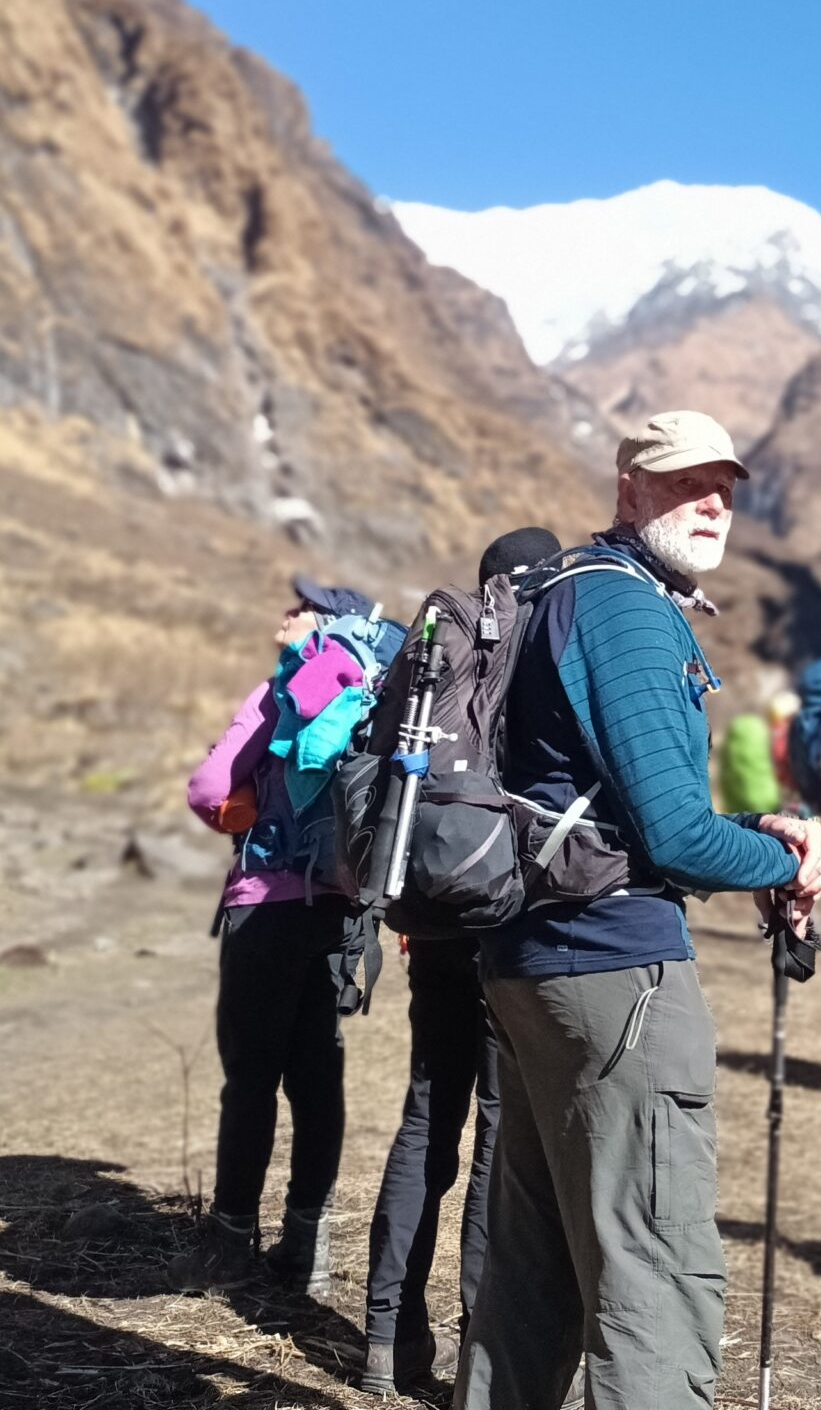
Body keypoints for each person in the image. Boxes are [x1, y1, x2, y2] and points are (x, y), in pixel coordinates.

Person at [456, 410, 821, 1410]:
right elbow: (670, 838)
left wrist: (752, 826)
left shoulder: (562, 593)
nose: (713, 501)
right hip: (615, 976)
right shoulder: (625, 609)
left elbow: (617, 804)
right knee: (653, 1276)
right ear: (629, 487)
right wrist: (780, 864)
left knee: (533, 1271)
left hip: (529, 962)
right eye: (684, 482)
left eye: (725, 485)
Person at [359, 527, 559, 1398]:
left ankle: (383, 1338)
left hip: (428, 910)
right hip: (500, 912)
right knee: (496, 1136)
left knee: (423, 1120)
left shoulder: (439, 642)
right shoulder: (531, 640)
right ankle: (481, 1340)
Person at [180, 573, 389, 1296]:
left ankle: (233, 1241)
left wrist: (241, 818)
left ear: (327, 624)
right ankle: (309, 1248)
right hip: (339, 910)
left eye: (302, 607)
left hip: (266, 904)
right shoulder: (374, 693)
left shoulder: (284, 692)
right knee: (317, 1079)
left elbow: (209, 788)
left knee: (250, 1080)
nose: (287, 613)